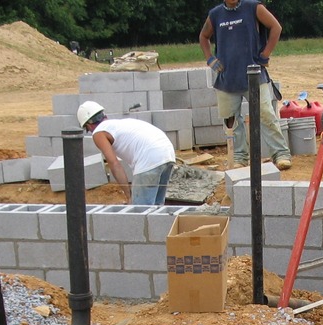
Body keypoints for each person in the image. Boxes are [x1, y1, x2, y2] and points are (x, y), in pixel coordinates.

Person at [199, 0, 292, 170]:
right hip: (227, 78)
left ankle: (281, 154)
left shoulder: (253, 8)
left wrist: (265, 54)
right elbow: (204, 36)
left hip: (254, 75)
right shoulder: (216, 14)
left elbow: (275, 27)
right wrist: (210, 58)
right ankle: (240, 157)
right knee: (232, 121)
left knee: (266, 115)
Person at [77, 101, 177, 206]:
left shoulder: (99, 132)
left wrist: (129, 196)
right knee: (157, 209)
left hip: (149, 159)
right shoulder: (120, 124)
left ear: (88, 125)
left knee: (140, 212)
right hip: (168, 153)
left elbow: (114, 164)